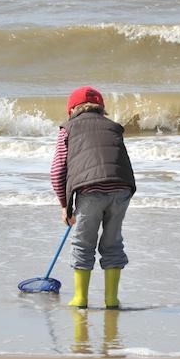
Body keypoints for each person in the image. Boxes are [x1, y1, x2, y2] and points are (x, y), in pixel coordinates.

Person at [50, 86, 136, 309]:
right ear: (101, 109)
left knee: (83, 243)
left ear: (71, 110)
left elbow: (58, 170)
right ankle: (111, 299)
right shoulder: (113, 127)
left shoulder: (68, 129)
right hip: (122, 188)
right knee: (112, 242)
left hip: (90, 191)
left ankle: (80, 298)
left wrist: (64, 205)